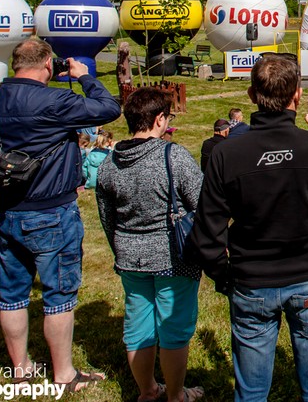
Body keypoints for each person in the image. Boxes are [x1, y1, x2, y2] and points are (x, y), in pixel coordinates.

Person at [187, 54, 308, 402]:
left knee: (251, 394)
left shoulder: (227, 153)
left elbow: (205, 233)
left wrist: (225, 276)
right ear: (297, 96)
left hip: (252, 280)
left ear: (251, 95)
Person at [0, 38, 121, 391]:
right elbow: (107, 108)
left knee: (11, 293)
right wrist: (85, 76)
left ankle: (21, 367)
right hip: (51, 209)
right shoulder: (56, 100)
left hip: (9, 209)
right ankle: (64, 374)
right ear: (47, 64)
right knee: (59, 294)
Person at [96, 87, 204, 402]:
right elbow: (203, 203)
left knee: (138, 323)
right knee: (173, 328)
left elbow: (107, 218)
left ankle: (147, 390)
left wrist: (121, 247)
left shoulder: (109, 163)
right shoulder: (173, 155)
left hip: (130, 256)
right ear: (159, 119)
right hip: (174, 256)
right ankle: (175, 395)